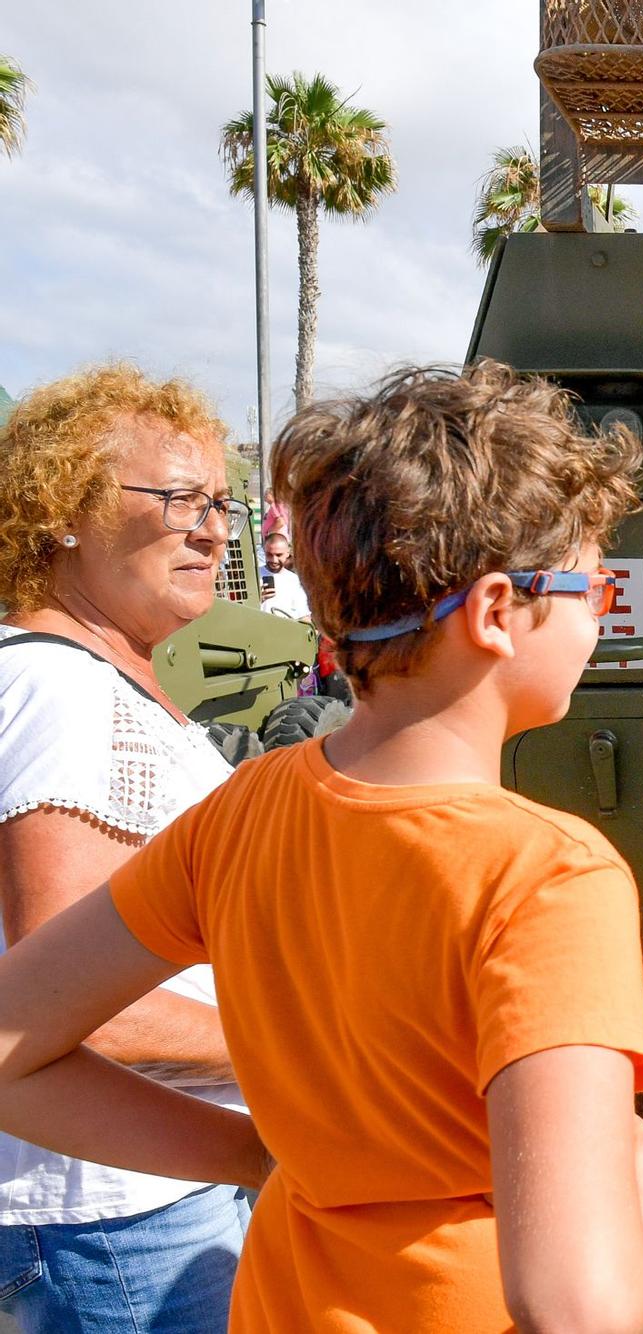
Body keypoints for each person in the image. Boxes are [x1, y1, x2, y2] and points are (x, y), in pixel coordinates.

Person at [0, 362, 643, 1332]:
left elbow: (13, 1044)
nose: (600, 614)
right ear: (493, 611)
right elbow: (578, 1305)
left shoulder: (243, 811)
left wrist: (253, 1153)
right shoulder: (551, 875)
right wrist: (641, 1200)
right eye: (592, 584)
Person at [0, 365, 251, 1334]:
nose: (214, 528)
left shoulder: (80, 682)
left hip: (126, 1192)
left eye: (221, 501)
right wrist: (298, 1047)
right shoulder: (61, 693)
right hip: (105, 1213)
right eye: (179, 497)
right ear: (64, 510)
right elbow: (61, 996)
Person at [258, 530, 312, 621]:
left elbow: (303, 615)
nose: (274, 560)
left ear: (288, 553)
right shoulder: (255, 575)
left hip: (287, 631)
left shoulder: (294, 580)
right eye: (269, 554)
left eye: (279, 555)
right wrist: (257, 599)